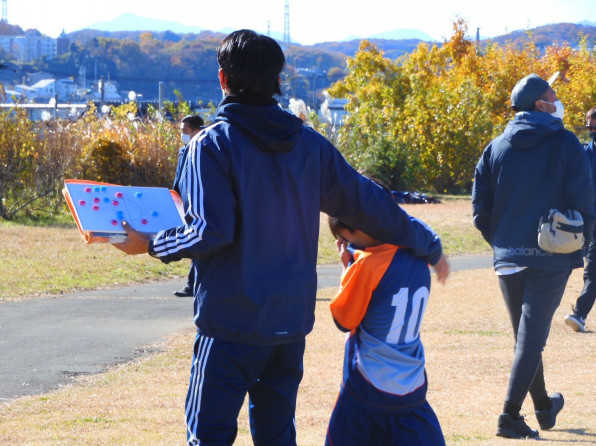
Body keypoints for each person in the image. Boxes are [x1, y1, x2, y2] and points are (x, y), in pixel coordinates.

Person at [114, 29, 449, 446]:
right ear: (278, 80)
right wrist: (426, 242)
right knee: (276, 435)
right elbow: (369, 202)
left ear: (222, 79)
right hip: (288, 323)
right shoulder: (309, 144)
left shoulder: (210, 145)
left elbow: (208, 230)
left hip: (230, 323)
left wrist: (148, 243)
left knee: (208, 434)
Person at [472, 73, 595, 439]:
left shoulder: (495, 147)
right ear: (541, 105)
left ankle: (543, 406)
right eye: (553, 95)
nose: (558, 100)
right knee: (531, 339)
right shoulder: (565, 142)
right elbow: (586, 200)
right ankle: (509, 416)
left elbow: (480, 209)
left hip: (507, 258)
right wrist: (580, 237)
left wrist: (502, 243)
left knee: (527, 337)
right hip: (550, 257)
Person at [325, 212, 445, 446]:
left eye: (345, 237)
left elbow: (344, 321)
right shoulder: (420, 255)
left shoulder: (367, 264)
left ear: (357, 227)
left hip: (367, 386)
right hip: (412, 385)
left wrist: (347, 269)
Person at [565, 106, 596, 332]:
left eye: (594, 126)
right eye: (588, 125)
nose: (590, 129)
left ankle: (579, 314)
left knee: (593, 270)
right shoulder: (584, 154)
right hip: (590, 222)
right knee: (592, 269)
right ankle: (580, 315)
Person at [172, 114, 205, 297]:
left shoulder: (202, 150)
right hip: (182, 202)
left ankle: (192, 284)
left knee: (196, 243)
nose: (182, 134)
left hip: (195, 203)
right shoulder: (184, 150)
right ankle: (192, 284)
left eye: (185, 131)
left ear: (195, 130)